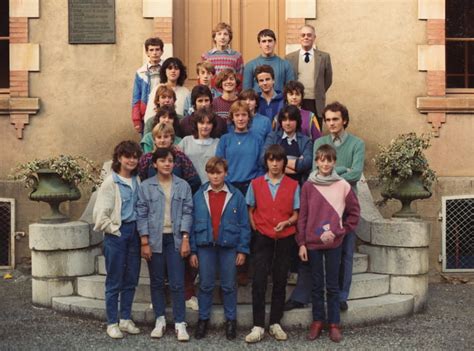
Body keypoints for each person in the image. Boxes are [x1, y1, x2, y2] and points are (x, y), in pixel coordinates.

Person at [285, 101, 365, 312]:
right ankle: (305, 295)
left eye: (335, 119)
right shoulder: (319, 142)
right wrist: (341, 169)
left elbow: (356, 174)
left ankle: (340, 296)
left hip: (344, 204)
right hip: (320, 206)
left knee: (345, 253)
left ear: (344, 120)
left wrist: (331, 173)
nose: (331, 123)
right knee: (314, 253)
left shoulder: (357, 144)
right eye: (328, 119)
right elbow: (314, 173)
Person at [297, 144, 360, 343]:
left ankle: (334, 324)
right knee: (316, 284)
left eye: (329, 160)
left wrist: (341, 231)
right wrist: (302, 242)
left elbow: (354, 212)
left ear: (334, 162)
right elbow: (303, 216)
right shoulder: (308, 185)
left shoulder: (343, 185)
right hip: (313, 243)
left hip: (334, 243)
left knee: (332, 285)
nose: (325, 164)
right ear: (317, 162)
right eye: (322, 160)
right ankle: (317, 321)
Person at [189, 157, 251, 340]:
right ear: (207, 174)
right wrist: (193, 250)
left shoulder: (236, 195)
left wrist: (242, 250)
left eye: (219, 172)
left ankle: (231, 321)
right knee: (206, 284)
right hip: (205, 246)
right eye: (212, 173)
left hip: (229, 247)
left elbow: (244, 225)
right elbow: (191, 224)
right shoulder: (199, 195)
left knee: (229, 285)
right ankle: (203, 319)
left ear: (226, 173)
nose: (215, 176)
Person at [136, 147, 193, 342]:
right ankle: (159, 319)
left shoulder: (183, 185)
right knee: (157, 282)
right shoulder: (145, 187)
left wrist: (185, 238)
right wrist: (144, 241)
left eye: (170, 160)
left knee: (177, 282)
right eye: (162, 161)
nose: (167, 164)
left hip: (176, 239)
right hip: (155, 240)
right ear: (155, 164)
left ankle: (179, 322)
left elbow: (187, 212)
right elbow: (141, 214)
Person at [244, 144, 300, 343]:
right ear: (266, 162)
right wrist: (256, 229)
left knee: (280, 280)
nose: (275, 164)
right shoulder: (256, 183)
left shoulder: (293, 185)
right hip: (262, 237)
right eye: (271, 160)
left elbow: (296, 213)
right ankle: (258, 325)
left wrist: (287, 222)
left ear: (284, 162)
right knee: (259, 281)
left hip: (285, 238)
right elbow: (250, 209)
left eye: (278, 160)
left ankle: (275, 322)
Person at [93, 140, 143, 339]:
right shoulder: (110, 183)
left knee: (131, 278)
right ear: (119, 158)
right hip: (117, 235)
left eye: (134, 157)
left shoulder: (137, 180)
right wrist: (115, 229)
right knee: (115, 280)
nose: (131, 160)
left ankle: (125, 319)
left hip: (135, 234)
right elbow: (100, 215)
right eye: (127, 156)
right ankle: (112, 322)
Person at [285, 24, 332, 128]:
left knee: (315, 130)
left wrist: (319, 90)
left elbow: (328, 80)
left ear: (314, 38)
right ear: (299, 38)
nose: (306, 37)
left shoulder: (324, 57)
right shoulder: (289, 58)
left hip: (315, 102)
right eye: (303, 35)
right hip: (296, 101)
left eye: (309, 35)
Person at [216, 100, 263, 196]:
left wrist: (255, 183)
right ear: (232, 118)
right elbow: (219, 164)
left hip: (251, 187)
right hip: (229, 186)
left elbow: (262, 165)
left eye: (244, 115)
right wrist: (226, 182)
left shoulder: (257, 139)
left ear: (249, 117)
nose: (240, 119)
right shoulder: (225, 139)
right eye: (237, 115)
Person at [138, 123, 201, 194]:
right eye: (159, 137)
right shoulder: (147, 159)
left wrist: (183, 196)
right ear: (154, 140)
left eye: (166, 136)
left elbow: (194, 181)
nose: (162, 140)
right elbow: (140, 181)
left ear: (171, 139)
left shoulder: (180, 157)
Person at [263, 105, 313, 185]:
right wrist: (296, 163)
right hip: (275, 184)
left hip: (298, 185)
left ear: (297, 121)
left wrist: (278, 163)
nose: (288, 123)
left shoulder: (305, 140)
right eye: (284, 120)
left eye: (291, 119)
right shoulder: (272, 137)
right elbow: (263, 158)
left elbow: (307, 163)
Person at [243, 29, 294, 93]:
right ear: (259, 44)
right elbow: (247, 92)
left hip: (279, 102)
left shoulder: (285, 64)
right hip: (257, 102)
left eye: (270, 41)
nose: (267, 44)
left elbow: (290, 90)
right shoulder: (250, 65)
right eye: (264, 41)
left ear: (275, 42)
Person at [178, 107, 220, 183]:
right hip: (190, 185)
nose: (205, 126)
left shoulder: (218, 143)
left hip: (212, 186)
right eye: (201, 123)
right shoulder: (186, 141)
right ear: (196, 124)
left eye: (208, 123)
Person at [131, 37, 164, 134]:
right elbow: (136, 98)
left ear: (162, 51)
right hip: (146, 112)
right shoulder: (141, 72)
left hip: (164, 110)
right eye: (151, 50)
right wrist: (136, 119)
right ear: (147, 52)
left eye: (157, 49)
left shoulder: (167, 69)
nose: (154, 53)